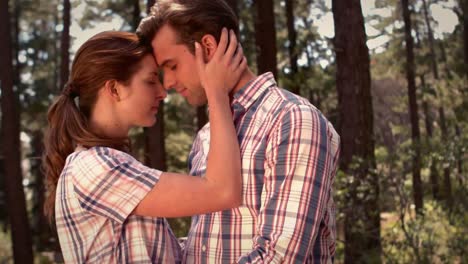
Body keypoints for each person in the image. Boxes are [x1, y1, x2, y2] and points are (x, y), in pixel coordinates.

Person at [136, 0, 341, 263]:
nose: (170, 83)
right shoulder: (206, 138)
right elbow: (207, 242)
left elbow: (279, 257)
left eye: (172, 66)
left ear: (208, 47)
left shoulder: (292, 119)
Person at [42, 30, 246, 263]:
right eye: (150, 80)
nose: (162, 92)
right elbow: (222, 192)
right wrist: (216, 92)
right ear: (114, 89)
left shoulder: (108, 165)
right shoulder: (94, 166)